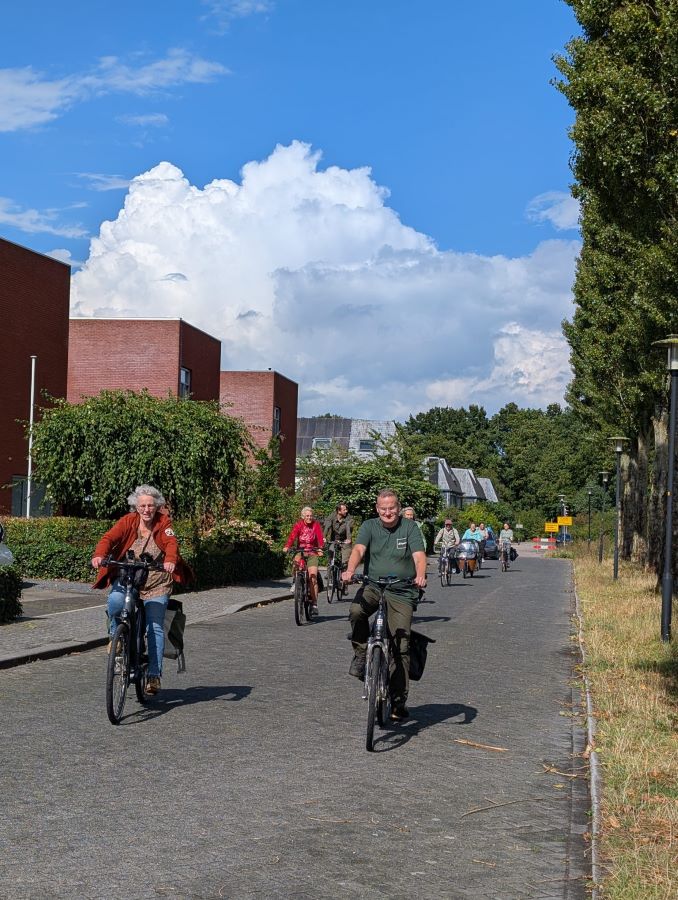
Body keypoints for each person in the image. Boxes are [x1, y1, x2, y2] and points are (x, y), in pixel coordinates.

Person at [91, 484, 191, 696]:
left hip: (156, 580)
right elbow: (109, 538)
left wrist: (170, 560)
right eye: (142, 505)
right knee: (115, 602)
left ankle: (154, 676)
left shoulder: (164, 522)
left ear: (157, 506)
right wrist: (99, 555)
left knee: (154, 626)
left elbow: (172, 543)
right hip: (129, 577)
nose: (146, 509)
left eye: (151, 505)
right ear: (136, 506)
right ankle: (115, 638)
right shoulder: (127, 521)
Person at [342, 489, 427, 721]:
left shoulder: (410, 528)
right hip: (373, 585)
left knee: (401, 643)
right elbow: (359, 549)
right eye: (383, 509)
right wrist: (350, 570)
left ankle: (399, 700)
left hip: (401, 589)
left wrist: (420, 575)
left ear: (398, 508)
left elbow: (419, 555)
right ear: (377, 509)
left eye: (391, 508)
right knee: (356, 611)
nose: (387, 512)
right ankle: (361, 654)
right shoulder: (370, 526)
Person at [284, 506, 325, 613]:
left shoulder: (316, 525)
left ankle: (314, 604)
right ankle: (295, 582)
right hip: (301, 551)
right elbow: (292, 536)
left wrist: (320, 548)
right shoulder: (299, 525)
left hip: (312, 552)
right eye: (307, 516)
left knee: (313, 577)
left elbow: (320, 537)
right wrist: (287, 546)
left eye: (311, 515)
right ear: (303, 516)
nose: (309, 517)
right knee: (295, 563)